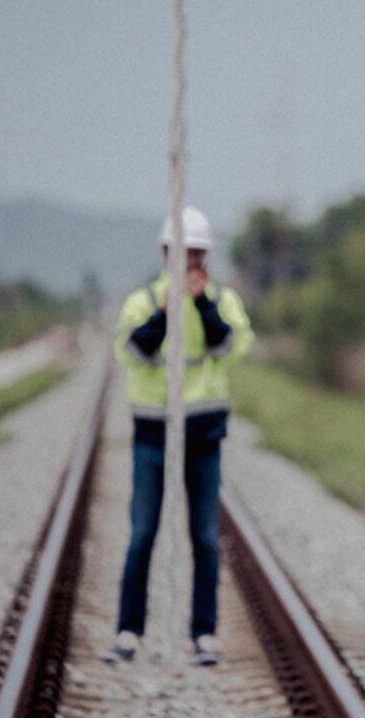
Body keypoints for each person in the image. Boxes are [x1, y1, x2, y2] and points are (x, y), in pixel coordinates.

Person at [105, 205, 254, 666]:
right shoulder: (143, 302)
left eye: (197, 255)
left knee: (206, 538)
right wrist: (167, 309)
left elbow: (231, 347)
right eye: (182, 254)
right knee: (142, 534)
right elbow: (131, 351)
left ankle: (203, 634)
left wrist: (202, 303)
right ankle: (129, 631)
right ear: (166, 253)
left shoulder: (222, 300)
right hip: (153, 433)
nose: (190, 263)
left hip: (203, 434)